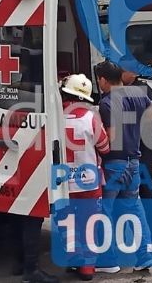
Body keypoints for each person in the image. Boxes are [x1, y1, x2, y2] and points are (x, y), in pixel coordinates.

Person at [93, 60, 152, 272]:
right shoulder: (137, 94)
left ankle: (108, 261)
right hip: (134, 163)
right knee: (133, 210)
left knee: (105, 212)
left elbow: (110, 138)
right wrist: (134, 129)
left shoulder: (107, 102)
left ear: (103, 80)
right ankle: (144, 256)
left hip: (114, 164)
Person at [59, 74, 110, 281]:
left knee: (66, 223)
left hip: (62, 183)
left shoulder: (55, 117)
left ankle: (73, 260)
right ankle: (88, 268)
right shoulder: (91, 118)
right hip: (88, 181)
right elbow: (104, 148)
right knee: (89, 223)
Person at [120, 62, 152, 254]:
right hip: (123, 153)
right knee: (122, 197)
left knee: (148, 194)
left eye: (124, 70)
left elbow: (150, 116)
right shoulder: (117, 88)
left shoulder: (143, 89)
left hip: (142, 151)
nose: (122, 73)